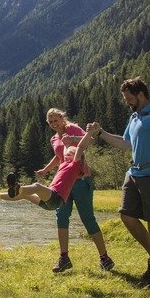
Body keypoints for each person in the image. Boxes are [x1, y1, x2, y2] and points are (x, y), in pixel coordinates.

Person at [87, 77, 150, 289]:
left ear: (141, 94)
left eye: (129, 97)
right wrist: (101, 133)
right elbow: (125, 144)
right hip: (135, 173)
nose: (127, 101)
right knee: (127, 216)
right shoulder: (134, 118)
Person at [37, 108, 114, 273]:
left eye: (56, 119)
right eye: (50, 121)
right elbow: (59, 157)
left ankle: (105, 258)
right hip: (64, 182)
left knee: (87, 218)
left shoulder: (72, 128)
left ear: (62, 117)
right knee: (61, 217)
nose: (53, 123)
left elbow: (91, 140)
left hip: (80, 180)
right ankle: (64, 258)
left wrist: (72, 138)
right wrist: (45, 170)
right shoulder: (53, 138)